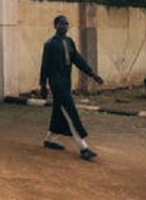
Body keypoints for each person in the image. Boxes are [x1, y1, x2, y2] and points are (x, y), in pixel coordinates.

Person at [39, 15, 104, 160]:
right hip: (56, 83)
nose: (65, 26)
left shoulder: (69, 42)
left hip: (66, 82)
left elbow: (78, 60)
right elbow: (44, 66)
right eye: (62, 24)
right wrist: (43, 85)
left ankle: (50, 139)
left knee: (59, 111)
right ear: (55, 25)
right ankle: (83, 147)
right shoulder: (50, 44)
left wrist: (92, 74)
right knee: (70, 112)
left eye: (67, 24)